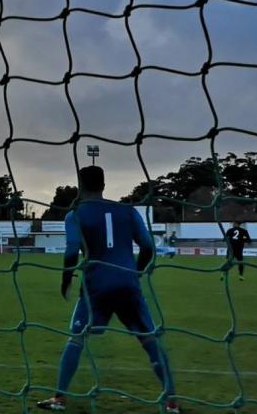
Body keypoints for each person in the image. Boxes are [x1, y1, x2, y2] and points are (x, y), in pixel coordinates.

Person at [37, 166, 178, 413]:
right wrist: (135, 272)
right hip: (127, 284)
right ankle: (171, 402)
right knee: (149, 340)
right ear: (104, 184)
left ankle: (59, 399)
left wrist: (66, 280)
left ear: (80, 185)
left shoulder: (75, 215)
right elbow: (147, 246)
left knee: (76, 340)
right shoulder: (127, 210)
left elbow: (71, 251)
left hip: (95, 287)